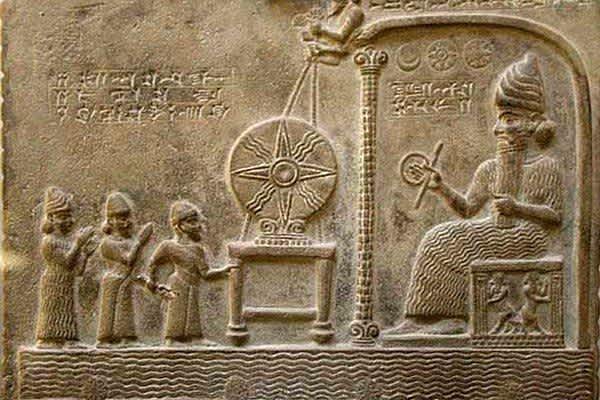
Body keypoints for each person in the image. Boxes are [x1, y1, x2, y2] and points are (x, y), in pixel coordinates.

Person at [385, 53, 563, 335]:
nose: (498, 128)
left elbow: (554, 217)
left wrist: (517, 208)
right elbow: (468, 209)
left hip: (528, 238)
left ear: (533, 122)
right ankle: (420, 319)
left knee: (451, 242)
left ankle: (451, 319)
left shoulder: (546, 166)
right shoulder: (490, 168)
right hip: (496, 230)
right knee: (436, 237)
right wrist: (441, 187)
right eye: (499, 120)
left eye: (508, 119)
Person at [141, 200, 230, 346]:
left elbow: (206, 274)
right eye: (191, 222)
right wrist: (152, 280)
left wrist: (223, 271)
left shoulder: (197, 249)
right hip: (178, 283)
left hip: (193, 285)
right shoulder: (168, 246)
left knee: (192, 313)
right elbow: (153, 262)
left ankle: (195, 337)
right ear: (179, 225)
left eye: (196, 221)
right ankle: (172, 339)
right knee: (177, 311)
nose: (197, 225)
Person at [36, 187, 97, 348]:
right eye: (63, 217)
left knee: (67, 312)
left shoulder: (68, 241)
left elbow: (77, 271)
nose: (69, 221)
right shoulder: (48, 241)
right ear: (51, 218)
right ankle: (47, 340)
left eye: (70, 216)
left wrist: (86, 254)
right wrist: (79, 243)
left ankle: (69, 339)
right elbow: (67, 262)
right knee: (53, 312)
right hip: (54, 282)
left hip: (67, 282)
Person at [96, 192, 153, 347]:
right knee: (112, 313)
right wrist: (140, 241)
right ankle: (105, 340)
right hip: (114, 281)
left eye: (127, 218)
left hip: (127, 280)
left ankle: (127, 338)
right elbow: (128, 260)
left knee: (125, 311)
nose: (126, 222)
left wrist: (147, 282)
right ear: (111, 221)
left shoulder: (129, 241)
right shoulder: (107, 243)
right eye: (121, 219)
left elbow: (135, 268)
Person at [303, 0, 364, 65]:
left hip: (337, 54)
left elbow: (342, 36)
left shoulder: (354, 11)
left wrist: (322, 30)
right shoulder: (337, 9)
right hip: (326, 48)